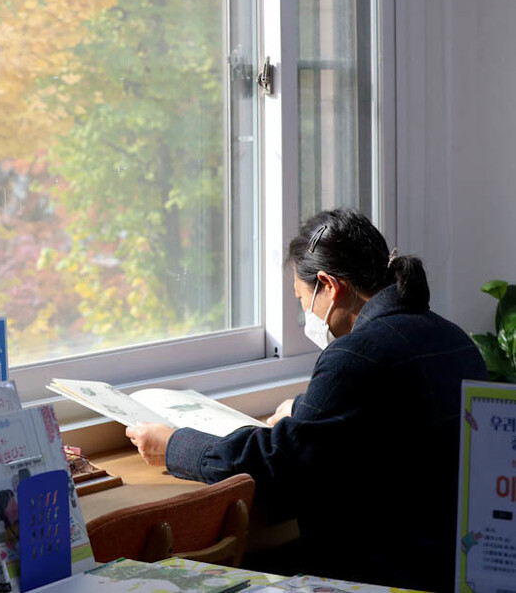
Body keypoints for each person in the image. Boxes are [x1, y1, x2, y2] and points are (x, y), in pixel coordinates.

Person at [125, 208, 487, 592]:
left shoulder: (355, 356)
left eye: (302, 299)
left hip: (384, 574)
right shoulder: (454, 340)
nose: (306, 315)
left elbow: (276, 468)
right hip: (449, 566)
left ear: (330, 285)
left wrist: (174, 445)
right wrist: (301, 409)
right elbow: (388, 411)